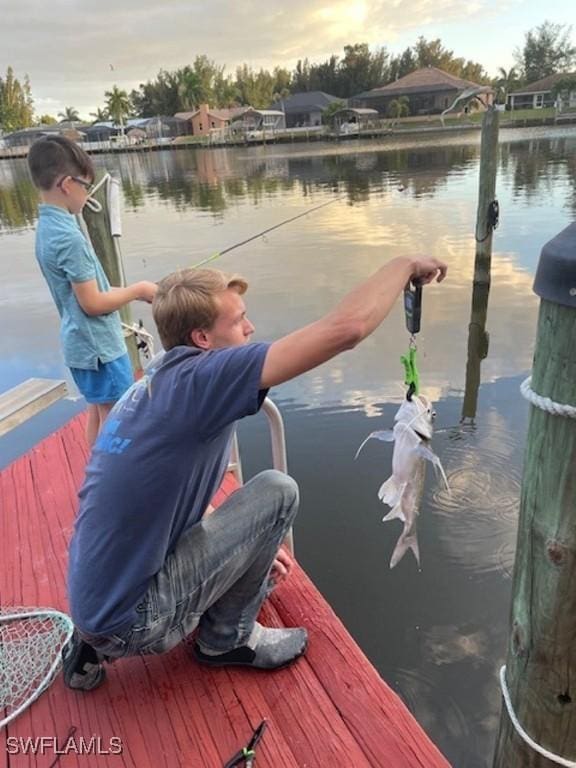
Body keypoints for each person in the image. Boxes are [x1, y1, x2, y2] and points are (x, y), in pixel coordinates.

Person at [63, 256, 447, 691]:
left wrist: (245, 545)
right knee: (277, 492)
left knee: (245, 516)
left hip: (89, 599)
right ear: (202, 338)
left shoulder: (151, 386)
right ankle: (226, 639)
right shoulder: (205, 380)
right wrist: (404, 264)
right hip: (131, 622)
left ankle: (89, 644)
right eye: (239, 320)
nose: (251, 329)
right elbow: (346, 330)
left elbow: (149, 491)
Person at [27, 135, 157, 446]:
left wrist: (125, 291)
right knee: (117, 417)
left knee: (99, 412)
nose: (87, 193)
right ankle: (110, 481)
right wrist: (138, 290)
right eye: (86, 185)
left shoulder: (47, 228)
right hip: (100, 349)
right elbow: (93, 303)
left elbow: (86, 292)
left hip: (80, 346)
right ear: (67, 185)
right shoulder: (70, 239)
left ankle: (95, 473)